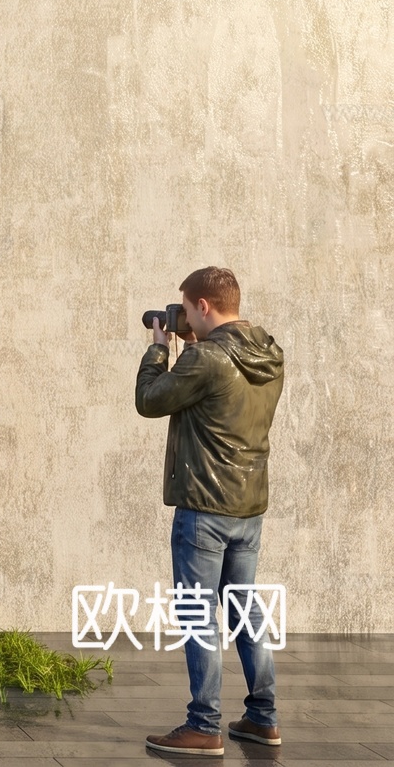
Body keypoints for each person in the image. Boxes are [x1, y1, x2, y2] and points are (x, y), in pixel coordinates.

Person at [137, 267, 284, 757]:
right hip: (249, 506)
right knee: (245, 609)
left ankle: (203, 725)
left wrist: (160, 349)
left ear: (203, 306)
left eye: (186, 308)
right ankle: (263, 717)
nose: (184, 317)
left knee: (199, 614)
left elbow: (149, 400)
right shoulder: (269, 354)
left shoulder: (205, 358)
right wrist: (192, 346)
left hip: (204, 507)